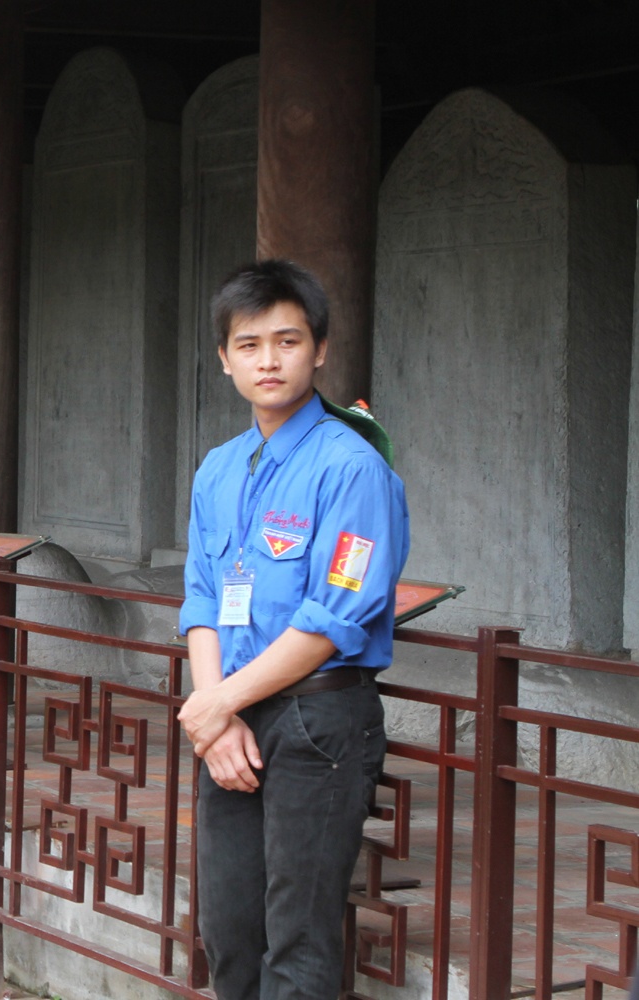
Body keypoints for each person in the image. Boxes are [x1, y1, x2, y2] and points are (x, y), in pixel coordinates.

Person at [176, 259, 410, 1000]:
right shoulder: (218, 469)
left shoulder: (352, 467)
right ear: (225, 359)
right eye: (249, 345)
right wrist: (218, 714)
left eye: (288, 341)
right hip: (232, 717)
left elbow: (336, 615)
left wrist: (217, 704)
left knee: (298, 937)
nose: (269, 361)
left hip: (318, 719)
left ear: (320, 350)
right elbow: (202, 598)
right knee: (229, 930)